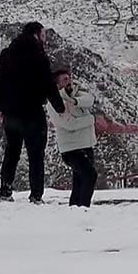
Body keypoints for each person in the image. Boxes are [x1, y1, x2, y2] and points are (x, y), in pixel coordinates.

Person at [0, 22, 65, 203]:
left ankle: (5, 190)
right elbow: (48, 84)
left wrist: (1, 107)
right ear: (36, 34)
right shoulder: (38, 56)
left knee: (12, 151)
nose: (45, 38)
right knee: (35, 155)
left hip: (11, 113)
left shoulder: (7, 54)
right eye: (43, 34)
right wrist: (60, 107)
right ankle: (35, 195)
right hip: (32, 112)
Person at [47, 65, 98, 208]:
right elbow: (69, 124)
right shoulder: (54, 103)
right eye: (64, 79)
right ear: (57, 84)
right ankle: (83, 208)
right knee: (90, 175)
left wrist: (75, 102)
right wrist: (91, 120)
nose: (69, 81)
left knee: (80, 181)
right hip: (71, 148)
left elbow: (89, 99)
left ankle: (75, 209)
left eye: (69, 78)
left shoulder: (76, 94)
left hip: (86, 144)